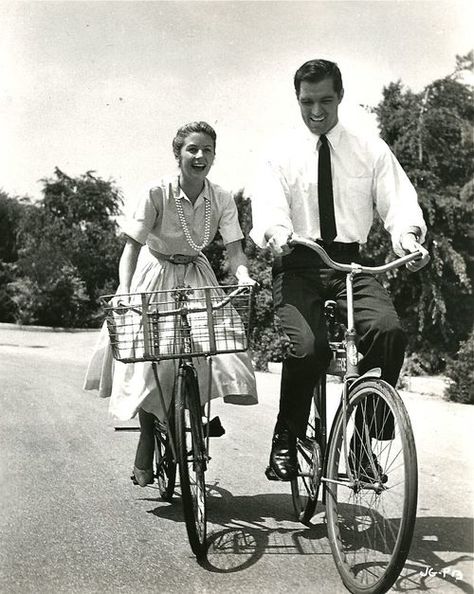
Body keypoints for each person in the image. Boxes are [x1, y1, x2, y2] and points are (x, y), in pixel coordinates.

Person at [250, 59, 430, 481]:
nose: (317, 111)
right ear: (297, 99)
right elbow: (269, 206)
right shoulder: (279, 152)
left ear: (341, 97)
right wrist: (278, 232)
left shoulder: (370, 148)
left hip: (351, 264)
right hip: (298, 263)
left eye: (326, 100)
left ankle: (363, 438)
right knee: (308, 349)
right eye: (307, 101)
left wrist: (408, 237)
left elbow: (398, 200)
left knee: (388, 332)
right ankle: (286, 436)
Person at [84, 121, 257, 486]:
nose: (200, 156)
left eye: (207, 150)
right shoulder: (156, 192)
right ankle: (148, 434)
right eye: (192, 149)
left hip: (196, 273)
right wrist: (124, 289)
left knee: (218, 339)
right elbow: (131, 248)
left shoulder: (221, 198)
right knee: (149, 353)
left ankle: (194, 407)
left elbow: (235, 251)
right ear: (178, 153)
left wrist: (242, 276)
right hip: (155, 271)